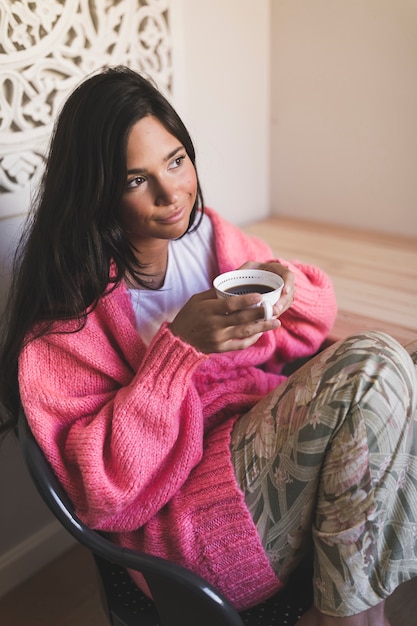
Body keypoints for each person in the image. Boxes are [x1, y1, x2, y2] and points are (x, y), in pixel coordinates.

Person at [0, 65, 416, 626]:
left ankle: (345, 611)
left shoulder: (210, 236)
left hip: (264, 441)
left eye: (175, 160)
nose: (171, 193)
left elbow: (311, 330)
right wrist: (177, 351)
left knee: (402, 365)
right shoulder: (66, 325)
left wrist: (281, 283)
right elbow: (104, 494)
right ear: (96, 190)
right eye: (134, 179)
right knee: (374, 366)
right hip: (194, 526)